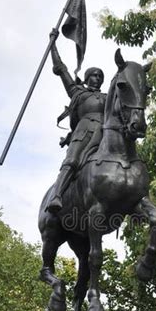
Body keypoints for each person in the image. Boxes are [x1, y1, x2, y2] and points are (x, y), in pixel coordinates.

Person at [46, 30, 106, 213]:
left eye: (100, 76)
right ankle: (57, 195)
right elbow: (61, 69)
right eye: (94, 75)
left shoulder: (108, 96)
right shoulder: (77, 92)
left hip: (105, 132)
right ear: (87, 78)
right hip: (84, 131)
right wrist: (52, 45)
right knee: (72, 160)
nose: (98, 78)